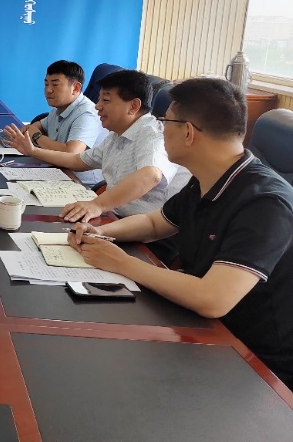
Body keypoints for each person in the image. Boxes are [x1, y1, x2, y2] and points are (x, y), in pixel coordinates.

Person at [68, 78, 293, 389]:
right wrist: (101, 231)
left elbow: (212, 299)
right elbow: (155, 223)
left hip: (256, 364)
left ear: (188, 132)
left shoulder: (265, 203)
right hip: (201, 326)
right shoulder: (207, 178)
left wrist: (121, 262)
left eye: (165, 122)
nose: (160, 130)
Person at [4, 69, 187, 222]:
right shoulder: (116, 135)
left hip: (146, 232)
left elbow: (151, 176)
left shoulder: (152, 134)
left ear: (133, 106)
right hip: (113, 216)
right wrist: (33, 151)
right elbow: (77, 161)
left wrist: (97, 205)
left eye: (106, 100)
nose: (97, 106)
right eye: (99, 100)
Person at [22, 60, 105, 184]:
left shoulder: (87, 114)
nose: (48, 90)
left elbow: (71, 153)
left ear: (75, 88)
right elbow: (40, 125)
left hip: (80, 183)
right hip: (57, 171)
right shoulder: (59, 107)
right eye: (46, 84)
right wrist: (32, 128)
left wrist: (36, 135)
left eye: (55, 85)